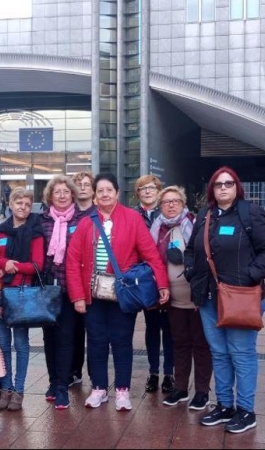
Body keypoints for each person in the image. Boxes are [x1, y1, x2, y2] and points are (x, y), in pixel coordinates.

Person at [183, 167, 265, 434]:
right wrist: (191, 272)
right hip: (208, 297)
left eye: (228, 183)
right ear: (211, 190)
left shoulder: (249, 213)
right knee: (219, 353)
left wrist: (252, 275)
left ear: (237, 187)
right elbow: (191, 249)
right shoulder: (205, 215)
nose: (223, 188)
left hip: (241, 296)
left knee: (242, 353)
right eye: (218, 184)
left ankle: (246, 410)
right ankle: (225, 405)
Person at [66, 173, 170, 412]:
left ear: (116, 192)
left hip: (122, 292)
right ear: (94, 194)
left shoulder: (132, 219)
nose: (104, 194)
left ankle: (122, 390)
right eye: (100, 190)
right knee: (96, 342)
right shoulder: (86, 222)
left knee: (122, 341)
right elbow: (72, 262)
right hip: (92, 294)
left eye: (108, 190)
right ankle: (99, 388)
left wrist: (162, 284)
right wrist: (78, 296)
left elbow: (151, 254)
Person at [151, 186, 212, 410]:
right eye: (166, 201)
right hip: (170, 297)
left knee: (201, 344)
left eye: (175, 200)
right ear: (160, 205)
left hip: (195, 297)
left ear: (183, 203)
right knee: (179, 343)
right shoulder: (156, 228)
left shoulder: (195, 224)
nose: (171, 204)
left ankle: (202, 391)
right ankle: (181, 388)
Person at [0, 188, 45, 412]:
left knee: (21, 344)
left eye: (27, 204)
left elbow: (37, 265)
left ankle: (19, 390)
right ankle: (5, 387)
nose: (22, 207)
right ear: (10, 204)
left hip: (21, 294)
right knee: (3, 344)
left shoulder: (35, 233)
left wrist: (13, 265)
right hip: (0, 294)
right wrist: (2, 264)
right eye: (18, 203)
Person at [41, 175, 91, 409]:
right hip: (46, 289)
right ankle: (53, 382)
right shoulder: (41, 221)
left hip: (71, 288)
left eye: (66, 191)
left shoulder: (83, 220)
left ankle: (62, 386)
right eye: (57, 192)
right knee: (49, 338)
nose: (61, 195)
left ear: (72, 195)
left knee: (66, 338)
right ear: (50, 196)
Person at [134, 175, 174, 394]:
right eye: (143, 188)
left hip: (168, 277)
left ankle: (169, 373)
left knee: (169, 328)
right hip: (146, 280)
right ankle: (153, 372)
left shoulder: (168, 212)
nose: (148, 191)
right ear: (137, 193)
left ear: (159, 191)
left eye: (152, 188)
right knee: (152, 328)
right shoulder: (132, 215)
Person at [67, 171, 96, 386]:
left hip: (95, 280)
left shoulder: (99, 213)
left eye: (87, 184)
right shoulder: (68, 214)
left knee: (94, 332)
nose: (83, 187)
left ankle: (96, 374)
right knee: (73, 329)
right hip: (72, 277)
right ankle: (74, 370)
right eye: (79, 184)